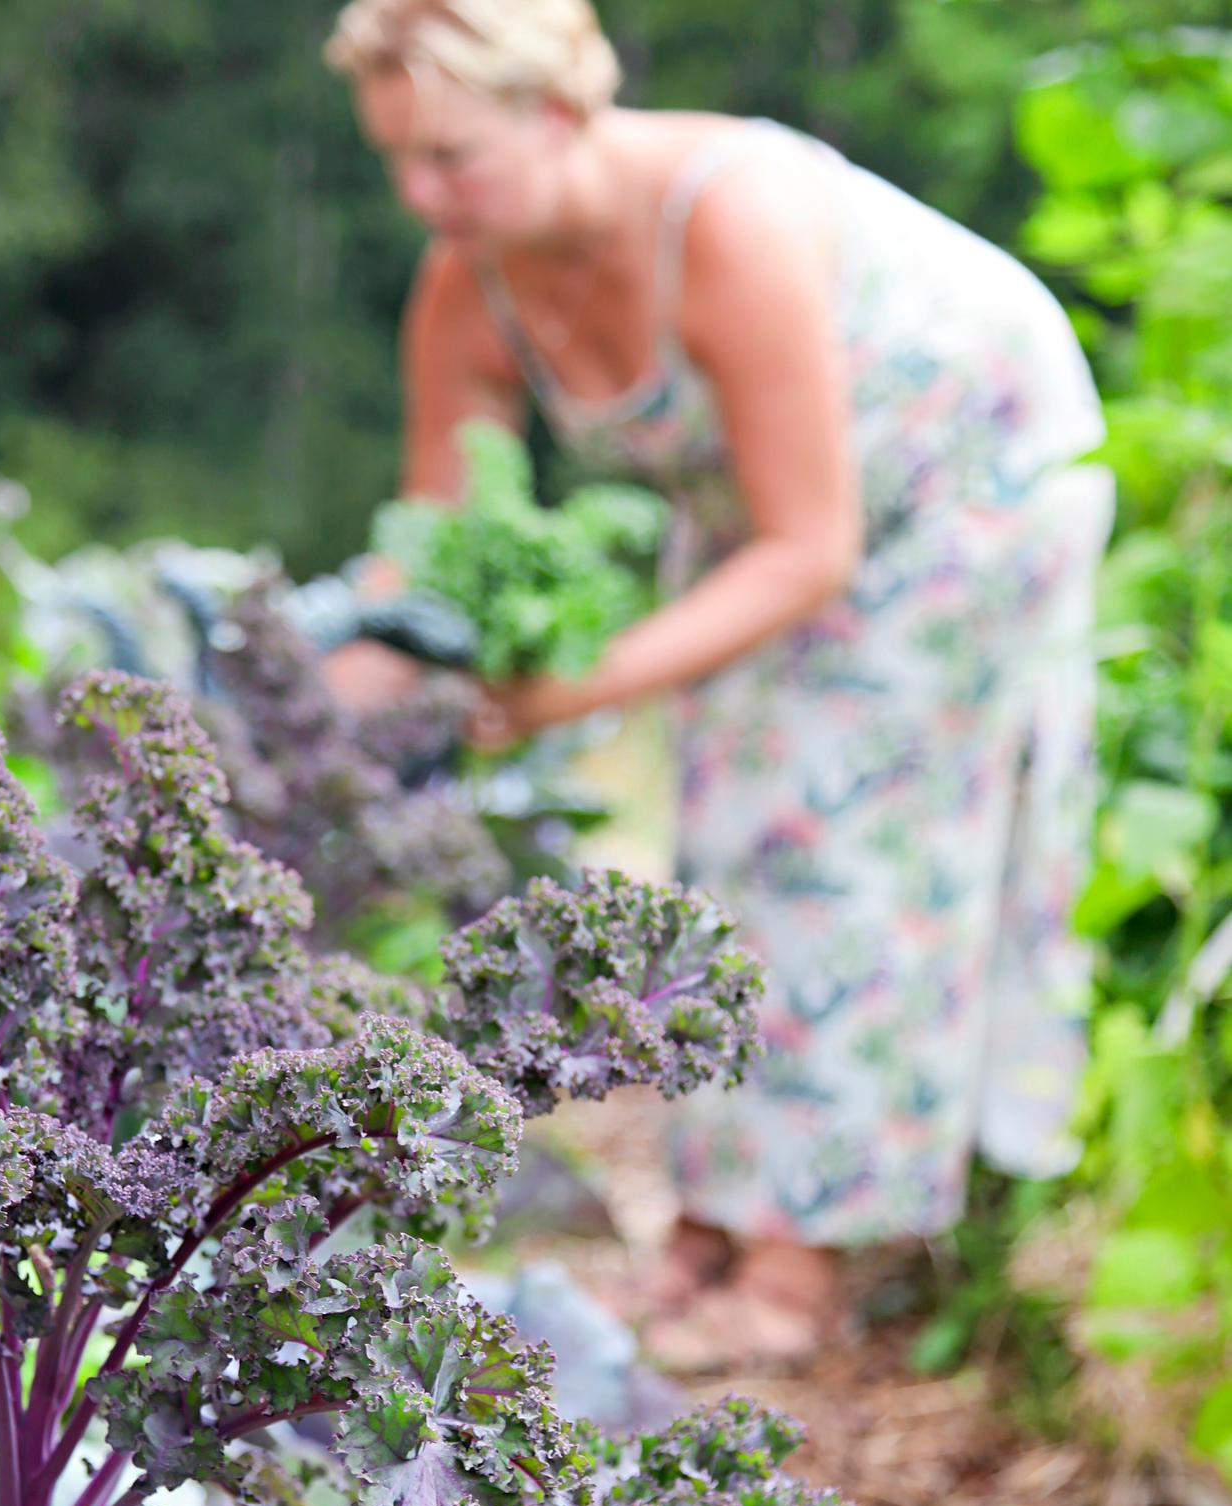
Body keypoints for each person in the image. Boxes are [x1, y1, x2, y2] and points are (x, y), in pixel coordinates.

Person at [323, 0, 1113, 1368]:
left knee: (845, 835)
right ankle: (705, 1225)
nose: (418, 194)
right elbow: (431, 538)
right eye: (396, 157)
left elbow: (814, 547)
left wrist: (583, 690)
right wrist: (333, 674)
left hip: (959, 470)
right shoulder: (473, 272)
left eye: (450, 154)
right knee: (722, 829)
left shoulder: (722, 218)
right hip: (762, 498)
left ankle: (801, 1270)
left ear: (560, 112)